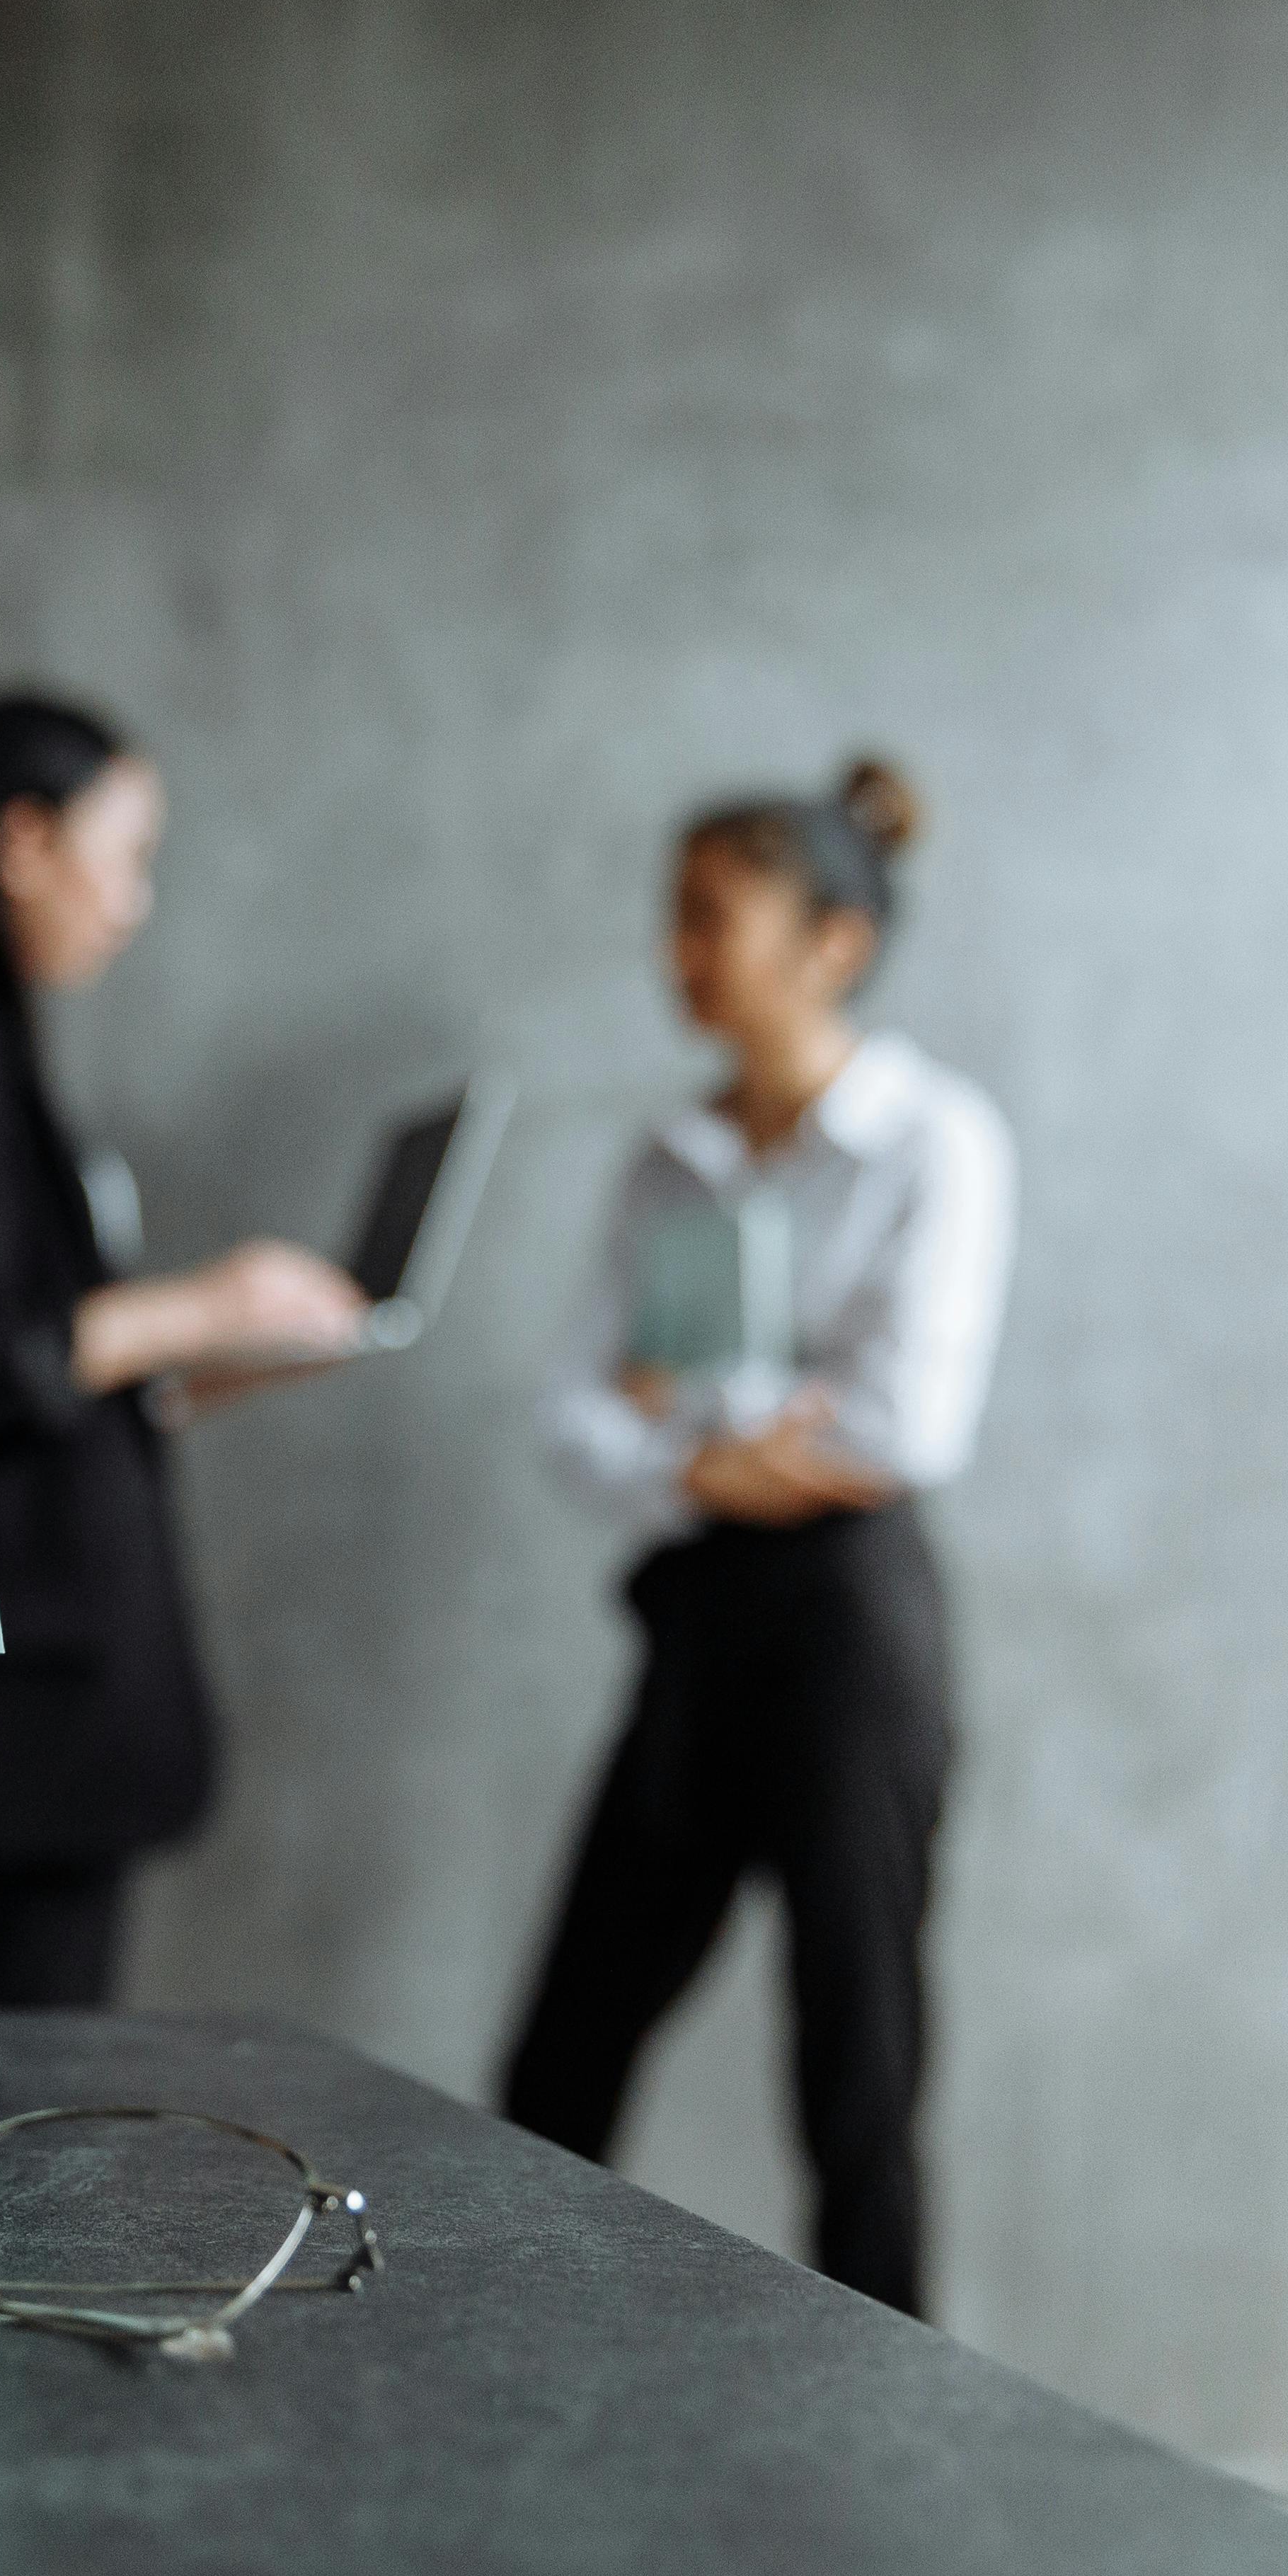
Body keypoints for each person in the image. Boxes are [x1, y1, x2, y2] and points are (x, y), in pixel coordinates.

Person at [502, 758, 1015, 2314]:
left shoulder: (931, 1139)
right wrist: (737, 1446)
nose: (676, 956)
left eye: (708, 919)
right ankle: (492, 2376)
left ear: (828, 944)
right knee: (560, 2051)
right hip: (695, 1617)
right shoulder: (667, 1161)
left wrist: (677, 1428)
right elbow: (569, 1421)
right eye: (672, 920)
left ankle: (887, 2460)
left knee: (854, 2072)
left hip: (849, 1629)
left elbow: (902, 1430)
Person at [0, 694, 372, 2007]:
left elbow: (20, 1368)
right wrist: (209, 1303)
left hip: (24, 1721)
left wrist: (187, 1377)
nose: (136, 900)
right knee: (5, 2110)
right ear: (25, 842)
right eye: (130, 852)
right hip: (0, 1721)